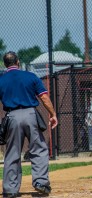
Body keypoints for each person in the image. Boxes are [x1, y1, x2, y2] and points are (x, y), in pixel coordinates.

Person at [0, 51, 58, 197]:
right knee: (38, 149)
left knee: (12, 152)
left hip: (12, 116)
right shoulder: (30, 76)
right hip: (30, 114)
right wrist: (53, 114)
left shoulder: (1, 80)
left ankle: (10, 190)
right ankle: (40, 182)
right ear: (18, 62)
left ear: (5, 64)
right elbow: (44, 97)